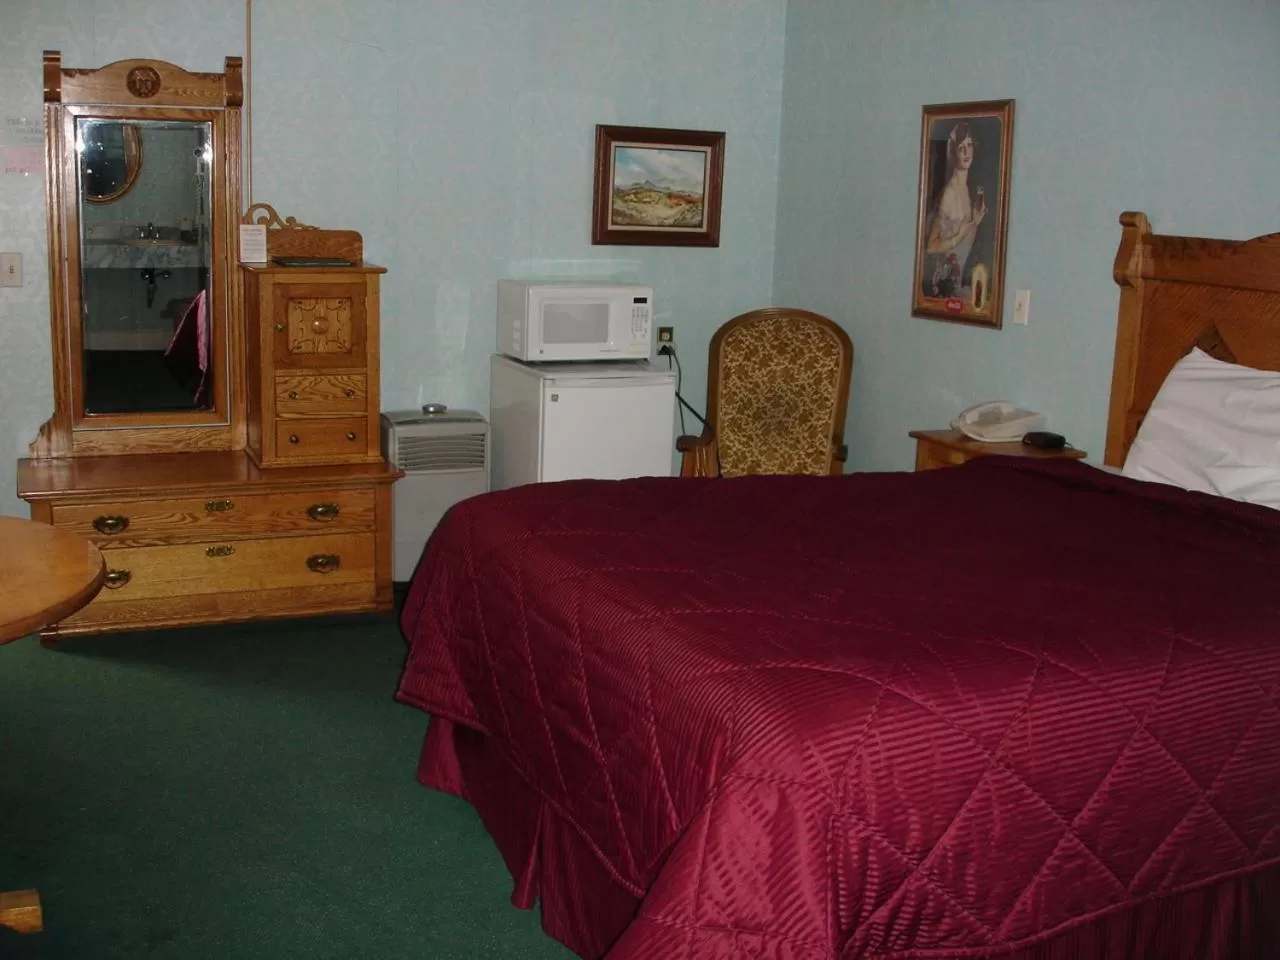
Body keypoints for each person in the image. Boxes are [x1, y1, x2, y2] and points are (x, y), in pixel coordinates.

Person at [923, 121, 986, 299]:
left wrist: (975, 222)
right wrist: (960, 235)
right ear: (953, 153)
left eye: (969, 145)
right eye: (961, 147)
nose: (967, 153)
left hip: (956, 282)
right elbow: (931, 247)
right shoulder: (949, 195)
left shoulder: (968, 190)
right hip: (943, 284)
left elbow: (963, 248)